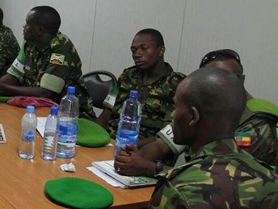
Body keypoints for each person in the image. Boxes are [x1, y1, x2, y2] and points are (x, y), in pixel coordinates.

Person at [26, 67, 278, 209]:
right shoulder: (271, 177)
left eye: (176, 108)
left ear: (192, 117)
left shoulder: (178, 190)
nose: (172, 116)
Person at [116, 48, 277, 177]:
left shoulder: (258, 123)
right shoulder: (203, 108)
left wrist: (150, 168)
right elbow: (162, 145)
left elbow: (216, 177)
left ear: (241, 80)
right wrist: (131, 159)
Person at [0, 6, 94, 118]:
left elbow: (45, 92)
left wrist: (1, 86)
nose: (24, 27)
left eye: (27, 24)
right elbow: (14, 75)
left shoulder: (60, 50)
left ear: (39, 30)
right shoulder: (29, 43)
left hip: (70, 116)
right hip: (37, 107)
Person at [96, 29, 185, 145]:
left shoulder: (176, 84)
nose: (137, 55)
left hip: (142, 149)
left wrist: (128, 146)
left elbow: (165, 136)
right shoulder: (128, 75)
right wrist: (93, 138)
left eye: (144, 48)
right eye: (133, 50)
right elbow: (105, 115)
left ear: (160, 50)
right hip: (110, 142)